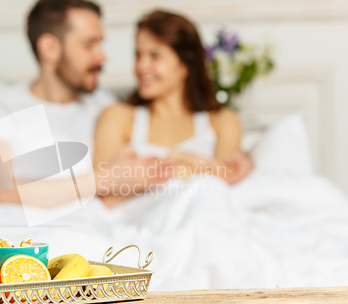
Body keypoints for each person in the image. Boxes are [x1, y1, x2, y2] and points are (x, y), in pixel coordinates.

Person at [0, 0, 172, 208]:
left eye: (101, 44)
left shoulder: (107, 109)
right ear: (49, 48)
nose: (102, 56)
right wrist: (105, 179)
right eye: (89, 45)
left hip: (94, 229)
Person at [94, 10, 253, 207]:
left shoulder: (223, 120)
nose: (142, 66)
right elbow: (105, 195)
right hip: (138, 226)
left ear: (185, 66)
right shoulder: (118, 116)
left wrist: (170, 165)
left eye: (155, 56)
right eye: (138, 55)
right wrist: (188, 166)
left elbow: (226, 181)